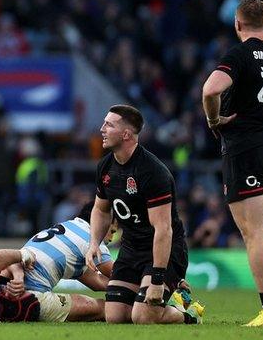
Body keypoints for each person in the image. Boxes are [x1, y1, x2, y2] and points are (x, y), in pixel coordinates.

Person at [202, 0, 263, 326]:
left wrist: (214, 121)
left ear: (237, 24)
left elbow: (210, 90)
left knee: (254, 235)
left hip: (246, 151)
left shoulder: (239, 55)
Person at [85, 105, 204, 325]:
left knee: (142, 317)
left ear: (126, 134)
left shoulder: (152, 172)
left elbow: (163, 229)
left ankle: (187, 313)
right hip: (131, 249)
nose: (101, 128)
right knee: (115, 317)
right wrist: (94, 244)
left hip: (165, 251)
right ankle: (165, 299)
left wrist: (158, 279)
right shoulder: (105, 167)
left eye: (109, 125)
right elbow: (101, 209)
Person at [0, 202, 115, 322]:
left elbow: (97, 282)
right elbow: (121, 276)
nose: (111, 239)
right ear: (105, 220)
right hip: (29, 298)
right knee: (107, 308)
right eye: (112, 231)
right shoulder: (90, 238)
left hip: (2, 290)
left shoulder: (68, 232)